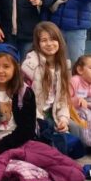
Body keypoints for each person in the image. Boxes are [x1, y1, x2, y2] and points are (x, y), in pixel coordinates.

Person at [0, 44, 86, 181]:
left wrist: (1, 146)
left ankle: (27, 171)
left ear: (15, 69)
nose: (0, 71)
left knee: (57, 161)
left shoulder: (24, 93)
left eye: (6, 67)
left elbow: (27, 130)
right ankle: (22, 172)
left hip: (19, 142)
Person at [21, 22, 82, 158]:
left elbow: (63, 99)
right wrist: (39, 119)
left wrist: (63, 120)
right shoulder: (30, 66)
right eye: (44, 40)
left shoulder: (63, 66)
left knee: (77, 131)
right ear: (37, 43)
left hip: (52, 114)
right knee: (46, 136)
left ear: (59, 40)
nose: (49, 44)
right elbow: (25, 99)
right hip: (35, 115)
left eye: (53, 39)